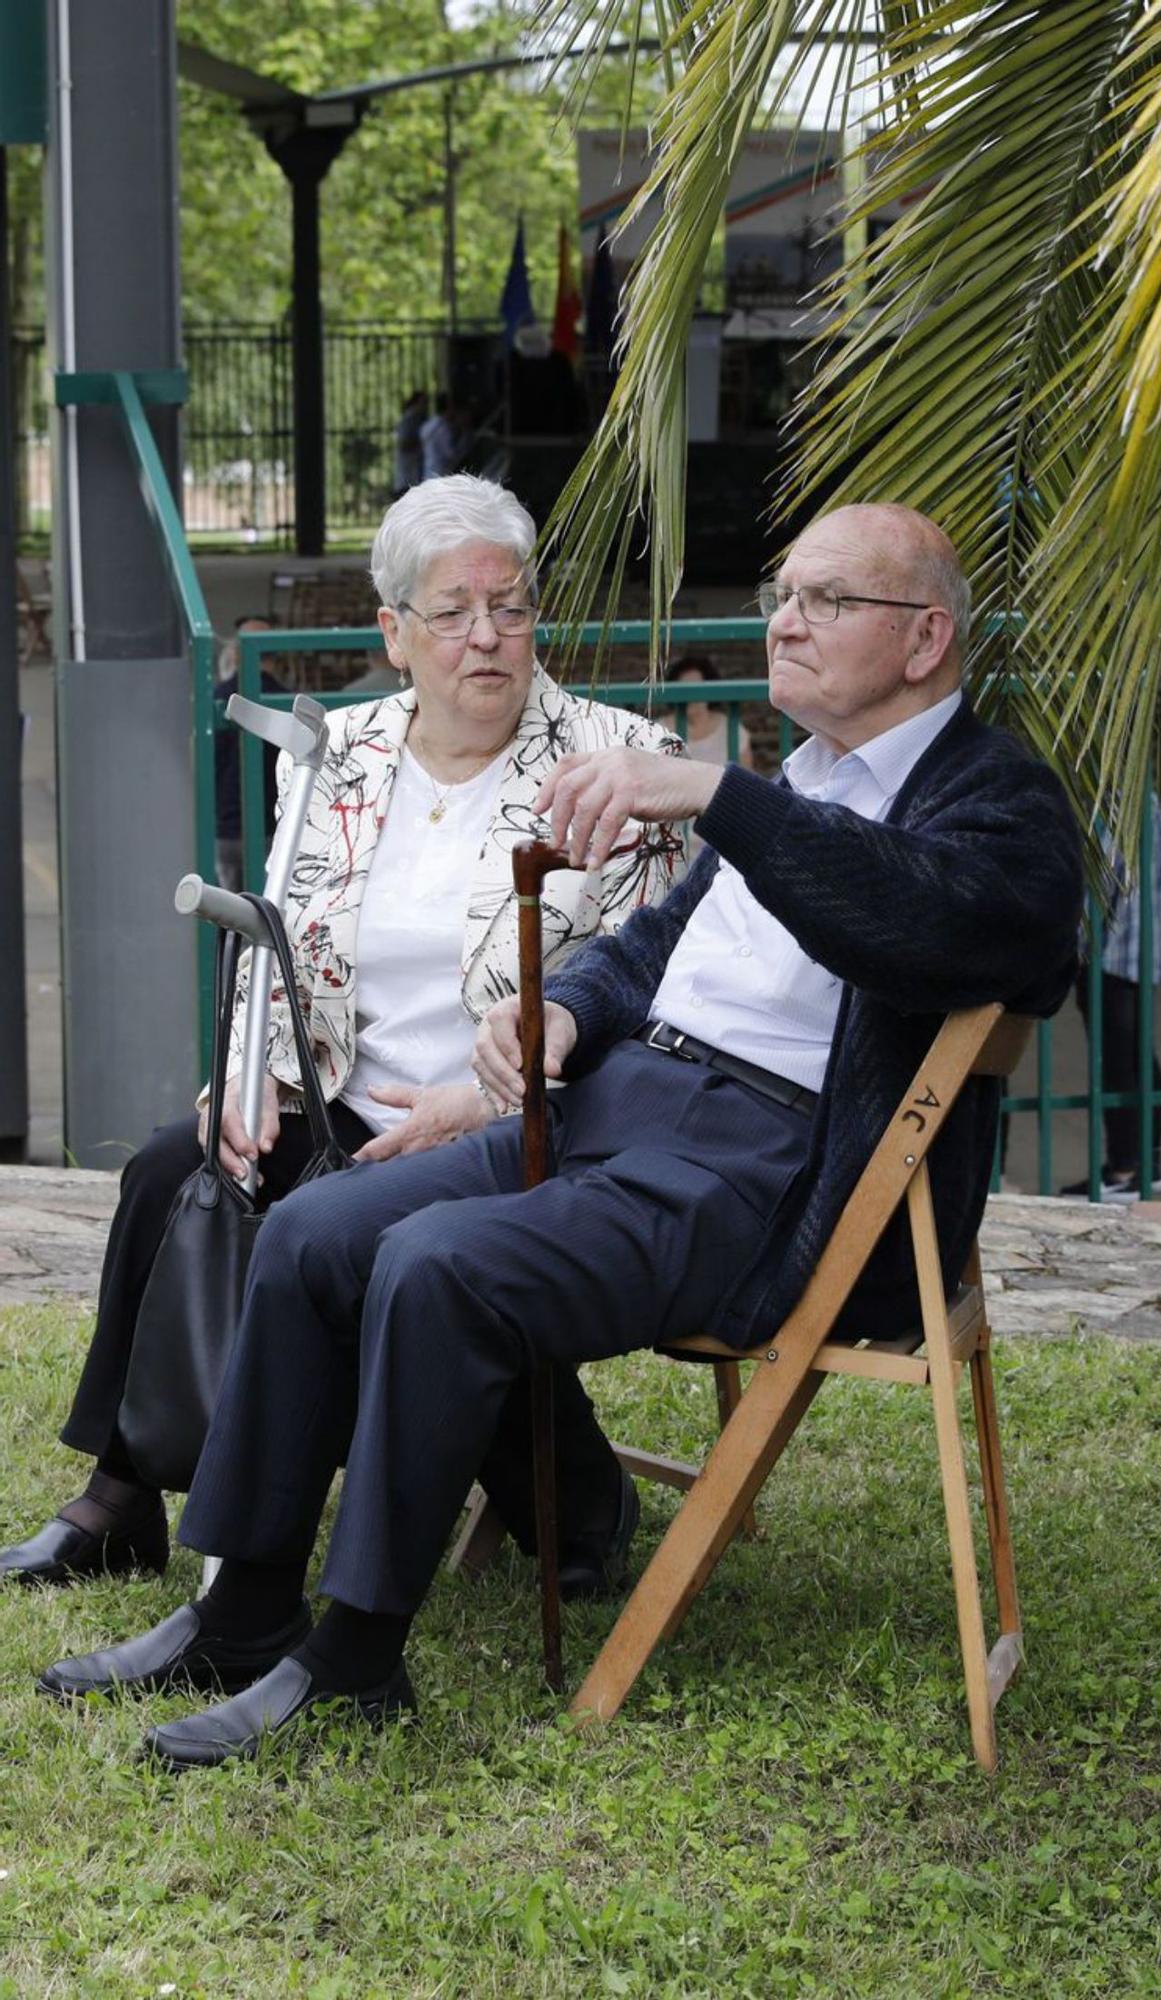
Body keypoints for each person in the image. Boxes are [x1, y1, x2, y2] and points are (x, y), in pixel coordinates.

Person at [37, 502, 1083, 1770]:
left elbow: (930, 922)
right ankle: (245, 1605)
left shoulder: (997, 802)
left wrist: (719, 791)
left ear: (925, 638)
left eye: (823, 600)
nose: (784, 621)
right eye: (780, 593)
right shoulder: (805, 775)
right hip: (615, 1101)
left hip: (757, 1168)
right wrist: (565, 1016)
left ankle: (357, 1657)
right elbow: (655, 946)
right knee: (313, 1227)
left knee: (435, 1264)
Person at [2, 473, 682, 1596]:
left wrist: (500, 1099)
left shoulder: (614, 762)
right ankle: (120, 1496)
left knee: (346, 1229)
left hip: (516, 1120)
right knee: (176, 1169)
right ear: (394, 632)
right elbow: (272, 932)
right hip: (342, 1098)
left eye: (509, 607)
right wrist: (242, 1079)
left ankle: (577, 1502)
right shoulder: (340, 750)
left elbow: (647, 991)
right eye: (452, 613)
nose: (485, 637)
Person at [1059, 807, 1161, 1201]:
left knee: (1118, 1063)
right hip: (1140, 951)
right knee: (1138, 1056)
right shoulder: (1154, 802)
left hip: (1111, 954)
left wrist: (1070, 948)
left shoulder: (1116, 806)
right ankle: (1146, 1162)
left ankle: (1125, 1170)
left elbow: (1097, 884)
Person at [214, 614, 285, 893]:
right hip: (273, 830)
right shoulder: (287, 700)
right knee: (268, 916)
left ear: (237, 654)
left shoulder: (216, 698)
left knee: (227, 917)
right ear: (275, 655)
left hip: (226, 830)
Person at [665, 654, 756, 770]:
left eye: (696, 688)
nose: (691, 695)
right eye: (684, 688)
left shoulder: (732, 730)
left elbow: (746, 778)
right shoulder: (660, 731)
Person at [392, 389, 428, 496]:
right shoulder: (409, 420)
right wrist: (421, 443)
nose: (425, 407)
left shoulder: (416, 419)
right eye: (423, 403)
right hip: (408, 478)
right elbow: (403, 444)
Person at [419, 395, 463, 482]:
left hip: (427, 472)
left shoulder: (426, 426)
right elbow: (450, 454)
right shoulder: (443, 428)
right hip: (441, 475)